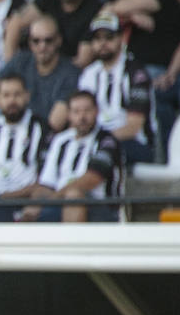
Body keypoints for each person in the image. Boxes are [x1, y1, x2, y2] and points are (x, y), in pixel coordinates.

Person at [29, 89, 123, 222]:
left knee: (74, 196)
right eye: (76, 112)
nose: (82, 117)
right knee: (31, 207)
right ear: (69, 115)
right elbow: (46, 184)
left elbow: (91, 179)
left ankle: (70, 243)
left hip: (101, 207)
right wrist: (33, 204)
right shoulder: (60, 140)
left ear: (96, 111)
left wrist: (54, 198)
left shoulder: (107, 140)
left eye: (87, 111)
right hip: (60, 203)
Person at [76, 11, 155, 164]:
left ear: (121, 38)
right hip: (97, 139)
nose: (103, 43)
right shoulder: (88, 74)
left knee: (101, 154)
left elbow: (134, 125)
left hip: (134, 143)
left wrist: (99, 140)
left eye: (109, 37)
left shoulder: (136, 73)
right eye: (97, 38)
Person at [0, 16, 77, 132]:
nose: (42, 46)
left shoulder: (70, 73)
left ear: (58, 40)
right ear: (30, 42)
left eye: (48, 40)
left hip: (42, 139)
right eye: (36, 41)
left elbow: (54, 124)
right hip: (9, 131)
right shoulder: (21, 61)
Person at [4, 0, 101, 67]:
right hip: (40, 68)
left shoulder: (93, 8)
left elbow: (83, 60)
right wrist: (10, 65)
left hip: (71, 73)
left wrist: (52, 72)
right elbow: (15, 23)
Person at [0, 71, 50, 199]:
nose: (12, 101)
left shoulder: (41, 127)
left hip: (28, 199)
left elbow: (46, 175)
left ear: (27, 96)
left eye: (17, 95)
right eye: (6, 95)